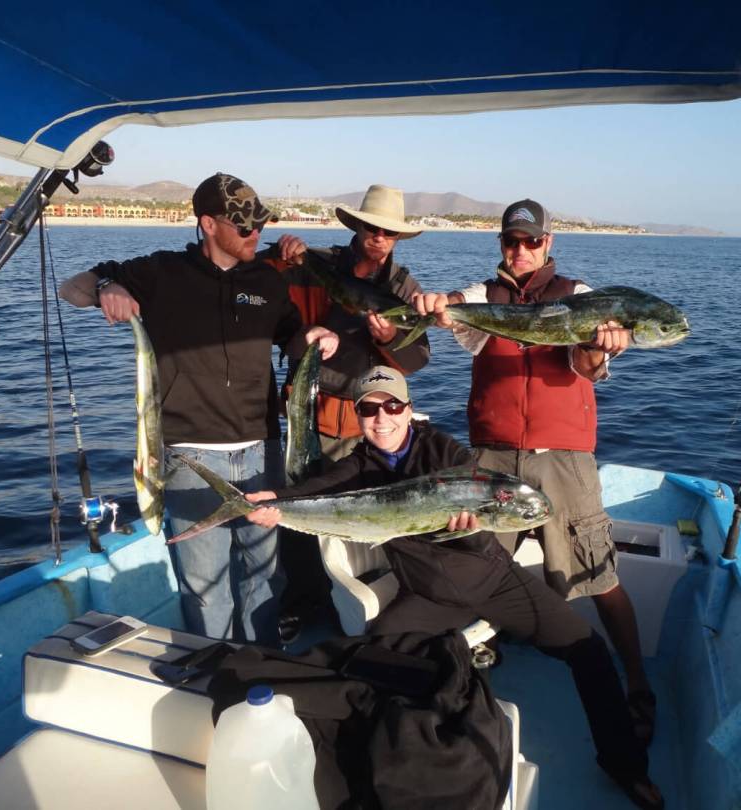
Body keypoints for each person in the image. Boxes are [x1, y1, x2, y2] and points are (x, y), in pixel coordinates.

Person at [242, 367, 662, 809]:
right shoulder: (357, 468)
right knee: (373, 664)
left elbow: (475, 495)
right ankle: (374, 772)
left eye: (392, 406)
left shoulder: (444, 450)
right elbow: (316, 490)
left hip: (495, 581)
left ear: (408, 410)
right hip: (427, 596)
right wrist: (274, 503)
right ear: (358, 416)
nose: (382, 418)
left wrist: (469, 527)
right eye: (369, 409)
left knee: (588, 649)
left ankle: (626, 767)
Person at [411, 199, 657, 744]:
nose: (520, 250)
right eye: (511, 241)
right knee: (474, 564)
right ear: (501, 243)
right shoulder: (485, 296)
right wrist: (438, 305)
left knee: (597, 573)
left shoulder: (580, 295)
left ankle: (637, 681)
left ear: (549, 243)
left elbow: (587, 369)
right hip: (491, 456)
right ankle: (471, 658)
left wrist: (598, 345)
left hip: (563, 457)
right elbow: (460, 306)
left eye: (531, 241)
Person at [58, 172, 338, 644]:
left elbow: (290, 336)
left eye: (260, 224)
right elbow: (71, 288)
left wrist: (311, 336)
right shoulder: (160, 272)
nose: (256, 233)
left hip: (262, 451)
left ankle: (260, 663)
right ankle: (217, 664)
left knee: (266, 575)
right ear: (208, 224)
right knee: (207, 588)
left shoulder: (268, 281)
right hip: (190, 456)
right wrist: (108, 286)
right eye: (244, 225)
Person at [266, 185, 430, 641]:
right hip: (309, 417)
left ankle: (366, 598)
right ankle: (301, 601)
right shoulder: (311, 264)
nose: (379, 237)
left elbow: (419, 358)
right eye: (372, 228)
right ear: (356, 226)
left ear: (398, 238)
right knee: (299, 511)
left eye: (388, 232)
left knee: (362, 515)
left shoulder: (404, 290)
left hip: (370, 426)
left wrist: (388, 338)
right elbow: (270, 314)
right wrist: (281, 255)